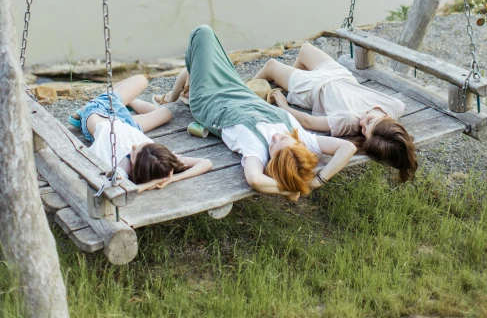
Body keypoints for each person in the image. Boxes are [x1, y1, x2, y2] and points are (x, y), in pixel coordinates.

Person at [157, 25, 357, 201]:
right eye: (284, 138)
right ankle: (178, 92)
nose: (276, 136)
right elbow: (347, 148)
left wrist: (289, 190)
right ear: (298, 144)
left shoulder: (256, 150)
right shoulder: (305, 140)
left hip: (209, 100)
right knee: (206, 55)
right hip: (237, 90)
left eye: (274, 145)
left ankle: (178, 95)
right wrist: (317, 181)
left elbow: (254, 179)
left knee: (202, 33)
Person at [252, 42, 417, 182]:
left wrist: (284, 106)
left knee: (271, 66)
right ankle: (289, 82)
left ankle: (243, 93)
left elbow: (308, 122)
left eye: (364, 130)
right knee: (305, 49)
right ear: (387, 118)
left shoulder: (349, 121)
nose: (362, 123)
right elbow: (392, 137)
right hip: (340, 75)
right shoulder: (395, 106)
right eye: (369, 121)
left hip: (312, 88)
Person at [70, 74, 212, 192]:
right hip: (129, 126)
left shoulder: (122, 168)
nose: (133, 147)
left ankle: (83, 111)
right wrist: (171, 178)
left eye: (133, 154)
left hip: (99, 113)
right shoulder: (160, 162)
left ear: (135, 167)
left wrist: (147, 186)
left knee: (141, 80)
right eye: (142, 145)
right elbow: (206, 162)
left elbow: (116, 191)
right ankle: (130, 102)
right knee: (166, 113)